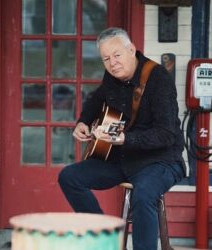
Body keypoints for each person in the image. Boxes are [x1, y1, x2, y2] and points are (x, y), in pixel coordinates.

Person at [58, 27, 185, 250]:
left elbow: (166, 134)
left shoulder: (158, 79)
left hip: (161, 161)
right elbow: (97, 99)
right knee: (69, 177)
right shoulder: (112, 76)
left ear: (131, 50)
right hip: (123, 160)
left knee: (143, 193)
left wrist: (126, 139)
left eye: (117, 55)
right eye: (106, 59)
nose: (112, 63)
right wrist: (83, 122)